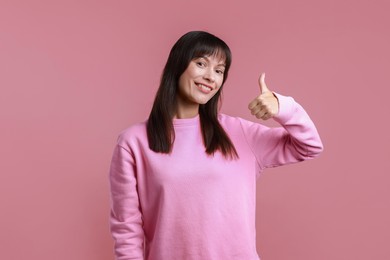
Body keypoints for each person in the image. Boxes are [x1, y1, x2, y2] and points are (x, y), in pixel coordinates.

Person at [108, 31, 323, 260]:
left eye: (219, 71)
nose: (211, 77)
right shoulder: (134, 142)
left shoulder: (239, 133)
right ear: (178, 65)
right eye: (201, 64)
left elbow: (309, 146)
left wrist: (283, 107)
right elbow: (126, 229)